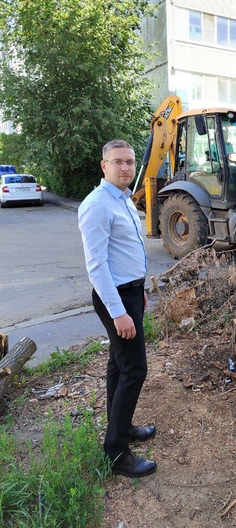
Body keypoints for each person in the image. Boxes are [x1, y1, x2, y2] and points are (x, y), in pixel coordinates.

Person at [78, 139, 157, 478]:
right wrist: (118, 312)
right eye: (118, 162)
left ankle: (120, 429)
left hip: (130, 293)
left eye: (129, 161)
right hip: (115, 298)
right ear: (104, 166)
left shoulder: (123, 200)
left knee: (118, 364)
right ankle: (116, 453)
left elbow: (126, 252)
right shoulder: (97, 205)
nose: (125, 167)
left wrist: (139, 292)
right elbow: (96, 267)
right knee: (134, 370)